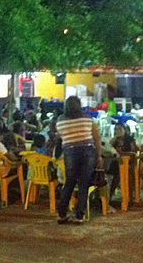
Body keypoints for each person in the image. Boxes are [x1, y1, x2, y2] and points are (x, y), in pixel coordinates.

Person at [55, 96, 102, 225]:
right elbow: (97, 138)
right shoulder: (88, 119)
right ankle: (79, 216)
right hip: (88, 151)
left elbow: (60, 136)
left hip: (70, 151)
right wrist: (99, 156)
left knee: (69, 182)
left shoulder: (60, 120)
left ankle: (61, 214)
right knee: (84, 183)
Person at [109, 123, 138, 199]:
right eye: (117, 130)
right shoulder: (116, 140)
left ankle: (111, 194)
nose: (118, 131)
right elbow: (108, 147)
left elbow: (133, 152)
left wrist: (123, 153)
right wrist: (115, 137)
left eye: (120, 129)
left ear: (125, 130)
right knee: (114, 171)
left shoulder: (129, 139)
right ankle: (108, 194)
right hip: (116, 162)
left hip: (128, 161)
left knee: (118, 173)